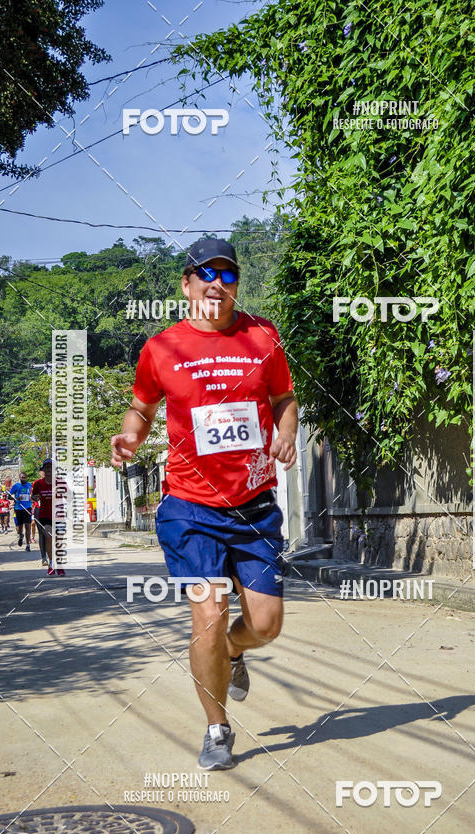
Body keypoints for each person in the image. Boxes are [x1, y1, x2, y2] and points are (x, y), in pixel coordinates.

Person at [111, 238, 298, 771]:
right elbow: (141, 408)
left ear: (237, 284)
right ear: (187, 284)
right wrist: (128, 437)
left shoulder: (262, 335)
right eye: (206, 273)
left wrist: (286, 432)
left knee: (265, 623)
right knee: (209, 622)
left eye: (229, 275)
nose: (218, 283)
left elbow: (284, 398)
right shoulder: (161, 348)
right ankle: (217, 728)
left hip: (254, 504)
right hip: (190, 509)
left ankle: (236, 654)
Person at [32, 459, 63, 575]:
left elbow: (69, 496)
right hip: (44, 515)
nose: (49, 469)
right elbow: (33, 497)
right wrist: (35, 498)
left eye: (51, 467)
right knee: (49, 537)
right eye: (47, 467)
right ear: (43, 470)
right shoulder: (38, 484)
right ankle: (51, 563)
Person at [10, 471, 33, 551]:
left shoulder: (30, 485)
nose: (23, 479)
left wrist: (33, 497)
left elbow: (33, 495)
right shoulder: (16, 486)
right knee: (19, 527)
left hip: (27, 508)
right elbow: (9, 496)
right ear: (19, 478)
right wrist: (16, 499)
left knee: (28, 526)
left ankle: (28, 545)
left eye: (24, 477)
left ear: (26, 478)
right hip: (18, 508)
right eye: (21, 477)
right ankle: (20, 536)